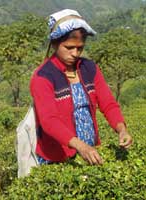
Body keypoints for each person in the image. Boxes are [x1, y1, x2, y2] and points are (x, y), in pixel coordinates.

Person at [30, 9, 132, 165]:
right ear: (55, 44)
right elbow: (49, 120)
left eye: (80, 48)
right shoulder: (43, 76)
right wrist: (80, 146)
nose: (75, 53)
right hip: (58, 156)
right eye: (69, 47)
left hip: (90, 151)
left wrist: (121, 129)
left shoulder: (89, 68)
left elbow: (108, 103)